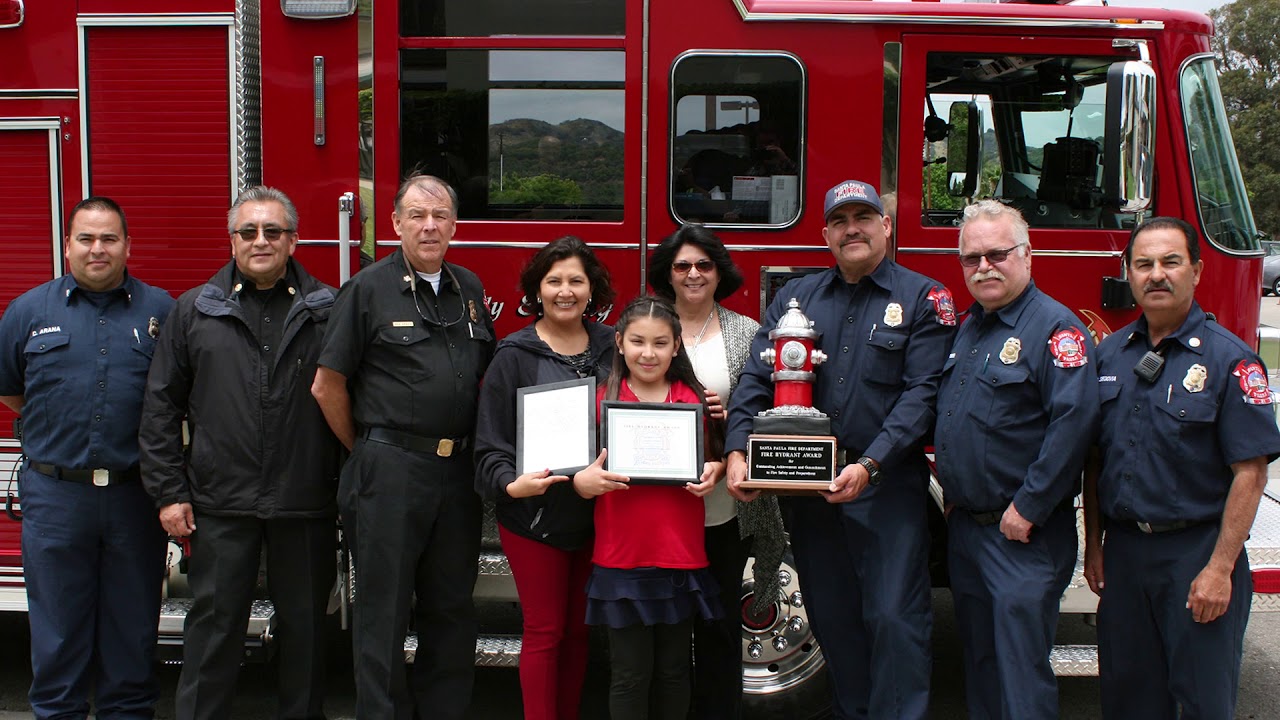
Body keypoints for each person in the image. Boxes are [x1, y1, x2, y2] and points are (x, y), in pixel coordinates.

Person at [726, 179, 956, 720]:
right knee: (832, 616)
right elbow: (757, 381)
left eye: (864, 217)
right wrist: (739, 449)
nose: (852, 228)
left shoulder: (924, 298)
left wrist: (869, 464)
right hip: (809, 491)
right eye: (840, 220)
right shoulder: (796, 300)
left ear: (886, 225)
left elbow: (921, 396)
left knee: (896, 619)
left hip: (885, 487)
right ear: (826, 232)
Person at [138, 186, 341, 720]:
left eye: (273, 231)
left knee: (306, 635)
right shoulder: (194, 311)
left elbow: (357, 405)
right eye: (248, 231)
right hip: (220, 502)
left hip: (306, 501)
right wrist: (169, 493)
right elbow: (160, 409)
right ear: (231, 240)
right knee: (213, 631)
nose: (260, 240)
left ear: (293, 241)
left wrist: (349, 489)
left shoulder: (330, 309)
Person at [311, 174, 495, 720]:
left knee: (451, 609)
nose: (429, 225)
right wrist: (369, 448)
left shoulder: (470, 289)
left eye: (440, 215)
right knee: (382, 613)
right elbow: (327, 385)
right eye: (416, 215)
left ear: (455, 226)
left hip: (456, 474)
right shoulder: (367, 289)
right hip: (388, 471)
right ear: (395, 224)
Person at [1083, 217, 1280, 720]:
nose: (1156, 275)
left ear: (1197, 270)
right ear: (1128, 273)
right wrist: (1094, 547)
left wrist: (1219, 569)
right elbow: (1096, 461)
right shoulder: (1107, 356)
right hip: (1125, 555)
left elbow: (1250, 474)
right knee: (1127, 699)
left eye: (1171, 262)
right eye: (1143, 264)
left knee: (1202, 702)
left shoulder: (1231, 362)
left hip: (1197, 555)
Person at [0, 197, 174, 719]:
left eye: (109, 239)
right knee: (57, 632)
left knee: (132, 631)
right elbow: (13, 391)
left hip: (134, 497)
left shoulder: (163, 311)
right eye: (86, 238)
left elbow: (178, 396)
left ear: (127, 245)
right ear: (68, 245)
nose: (97, 249)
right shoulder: (28, 311)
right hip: (56, 497)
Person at [933, 201, 1099, 719]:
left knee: (1020, 675)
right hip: (968, 530)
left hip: (1020, 534)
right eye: (971, 259)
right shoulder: (969, 328)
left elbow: (1073, 428)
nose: (983, 267)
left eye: (997, 254)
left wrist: (1028, 507)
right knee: (981, 665)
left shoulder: (1056, 331)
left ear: (1027, 256)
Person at [473, 236, 617, 720]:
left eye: (576, 280)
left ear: (591, 288)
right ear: (536, 289)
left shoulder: (612, 346)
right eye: (553, 280)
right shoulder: (512, 355)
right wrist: (512, 484)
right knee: (545, 630)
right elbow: (490, 444)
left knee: (579, 631)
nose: (565, 290)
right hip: (536, 516)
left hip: (601, 515)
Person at [648, 223, 785, 720]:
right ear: (667, 271)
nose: (692, 274)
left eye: (703, 265)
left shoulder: (747, 332)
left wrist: (727, 421)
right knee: (662, 633)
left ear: (719, 271)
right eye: (682, 265)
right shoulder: (645, 326)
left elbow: (765, 413)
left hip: (723, 508)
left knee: (719, 625)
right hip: (658, 507)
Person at [572, 295, 724, 720]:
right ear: (619, 342)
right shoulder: (602, 399)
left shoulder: (694, 399)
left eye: (660, 343)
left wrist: (713, 468)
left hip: (681, 556)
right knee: (629, 674)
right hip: (622, 557)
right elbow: (582, 478)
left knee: (676, 671)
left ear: (677, 346)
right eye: (638, 341)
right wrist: (582, 484)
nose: (648, 353)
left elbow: (716, 458)